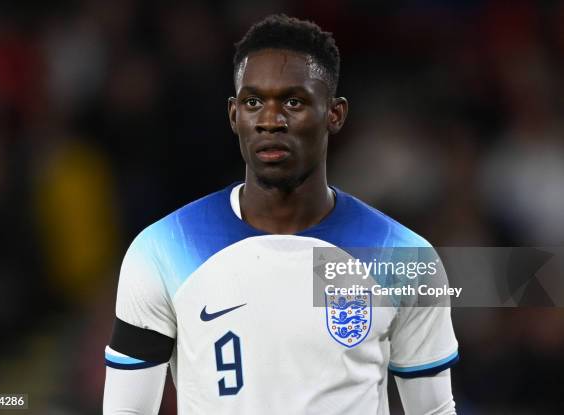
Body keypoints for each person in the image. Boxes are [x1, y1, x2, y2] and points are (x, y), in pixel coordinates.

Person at [103, 14, 458, 414]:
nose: (271, 121)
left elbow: (433, 410)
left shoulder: (403, 257)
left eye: (294, 101)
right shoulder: (161, 251)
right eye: (254, 102)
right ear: (234, 115)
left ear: (335, 114)